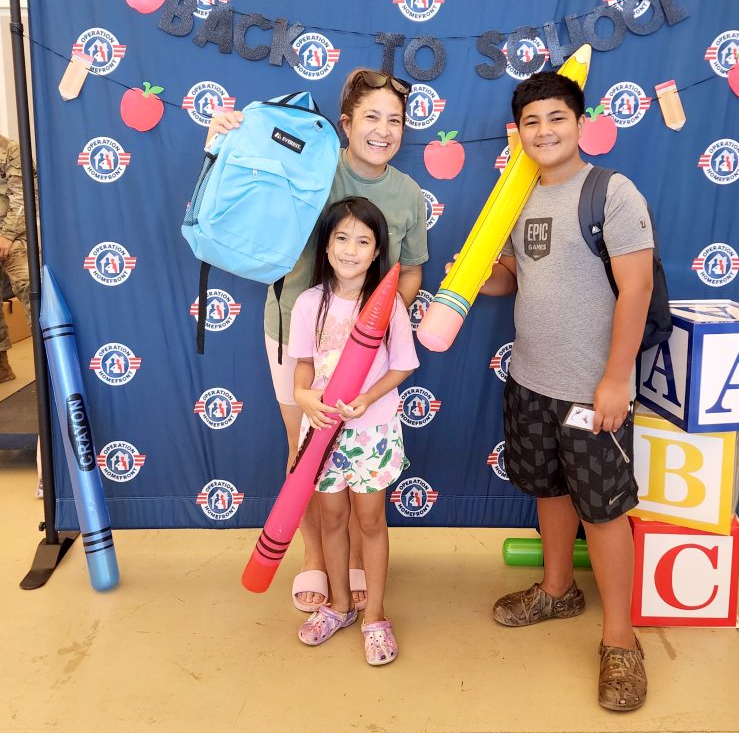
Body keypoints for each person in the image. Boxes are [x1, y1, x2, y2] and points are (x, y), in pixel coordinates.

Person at [206, 69, 427, 611]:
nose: (382, 130)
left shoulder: (407, 195)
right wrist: (222, 138)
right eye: (370, 117)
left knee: (354, 455)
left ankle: (354, 558)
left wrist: (373, 336)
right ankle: (314, 558)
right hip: (294, 332)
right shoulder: (310, 163)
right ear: (345, 124)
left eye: (394, 120)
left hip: (368, 359)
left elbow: (412, 272)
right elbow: (245, 176)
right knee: (306, 449)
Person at [478, 71, 653, 712]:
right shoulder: (516, 194)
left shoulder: (611, 193)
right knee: (549, 489)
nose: (545, 131)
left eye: (557, 118)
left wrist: (614, 380)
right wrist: (473, 277)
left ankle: (621, 642)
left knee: (603, 511)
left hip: (591, 390)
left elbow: (634, 289)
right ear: (515, 133)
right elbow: (515, 281)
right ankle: (557, 589)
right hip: (530, 379)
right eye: (532, 122)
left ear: (582, 123)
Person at [289, 196, 417, 666]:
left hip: (372, 433)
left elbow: (403, 365)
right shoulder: (308, 303)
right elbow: (303, 367)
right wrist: (305, 398)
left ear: (377, 249)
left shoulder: (388, 307)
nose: (350, 249)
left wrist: (368, 397)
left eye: (362, 241)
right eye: (341, 238)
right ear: (325, 247)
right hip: (323, 436)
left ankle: (376, 616)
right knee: (332, 521)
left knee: (370, 522)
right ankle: (340, 606)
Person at [0, 134, 31, 383]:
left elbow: (22, 197)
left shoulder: (12, 149)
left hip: (14, 238)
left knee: (31, 292)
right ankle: (2, 370)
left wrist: (7, 236)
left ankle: (51, 364)